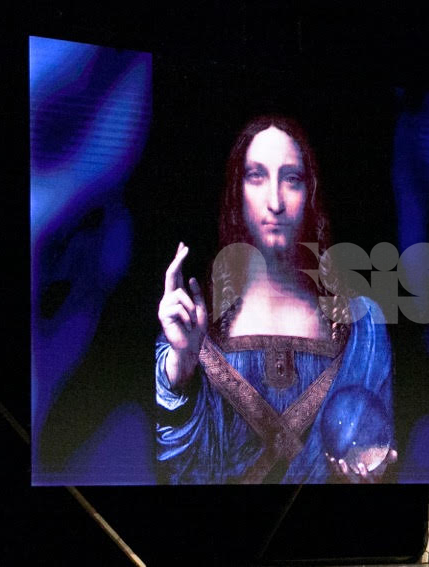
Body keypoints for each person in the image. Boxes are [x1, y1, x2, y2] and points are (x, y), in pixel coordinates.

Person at [155, 115, 396, 484]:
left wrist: (370, 472)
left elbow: (375, 443)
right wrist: (182, 364)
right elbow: (179, 467)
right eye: (256, 176)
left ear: (311, 194)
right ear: (236, 193)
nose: (275, 202)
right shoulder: (193, 325)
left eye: (291, 179)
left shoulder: (363, 328)